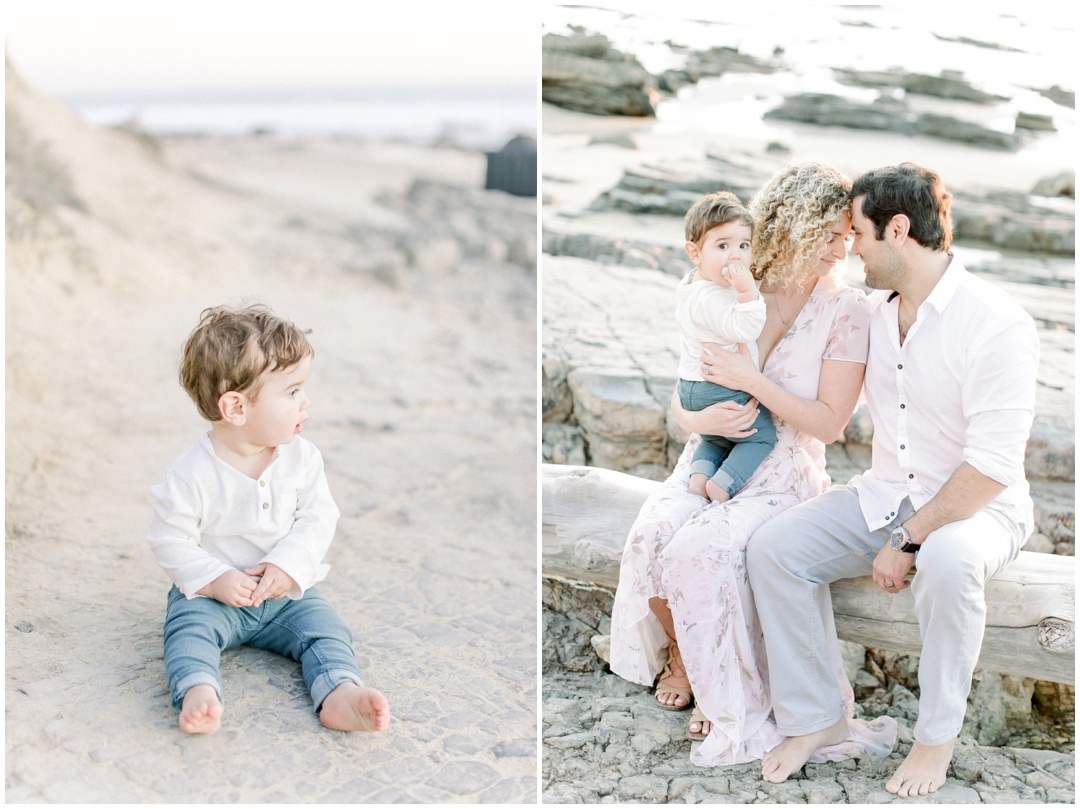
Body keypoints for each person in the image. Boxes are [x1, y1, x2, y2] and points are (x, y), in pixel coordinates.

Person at [746, 163, 1039, 796]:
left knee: (951, 562)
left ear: (898, 229)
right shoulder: (872, 312)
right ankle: (818, 718)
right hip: (884, 492)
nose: (849, 248)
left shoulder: (996, 323)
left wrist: (908, 539)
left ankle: (935, 741)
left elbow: (992, 467)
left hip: (978, 510)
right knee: (774, 549)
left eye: (857, 233)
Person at [609, 162, 896, 766]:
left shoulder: (847, 311)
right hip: (711, 448)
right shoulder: (733, 283)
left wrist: (751, 382)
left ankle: (722, 697)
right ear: (793, 225)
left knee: (698, 552)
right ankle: (684, 652)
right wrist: (694, 421)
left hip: (784, 468)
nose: (842, 248)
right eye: (829, 233)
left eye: (848, 235)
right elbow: (689, 380)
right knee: (651, 534)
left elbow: (829, 423)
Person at [147, 304, 391, 735]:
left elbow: (317, 516)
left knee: (327, 629)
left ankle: (338, 693)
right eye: (292, 391)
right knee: (187, 633)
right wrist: (214, 579)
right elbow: (171, 539)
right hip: (214, 597)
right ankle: (199, 690)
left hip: (284, 594)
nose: (306, 401)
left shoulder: (301, 458)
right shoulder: (190, 474)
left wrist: (288, 565)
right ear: (236, 407)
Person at [676, 191, 777, 503]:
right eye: (723, 246)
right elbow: (745, 327)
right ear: (695, 252)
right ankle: (723, 485)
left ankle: (700, 478)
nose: (736, 256)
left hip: (690, 387)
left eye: (743, 246)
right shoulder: (715, 297)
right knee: (760, 437)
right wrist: (747, 292)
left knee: (717, 438)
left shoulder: (691, 285)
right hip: (719, 388)